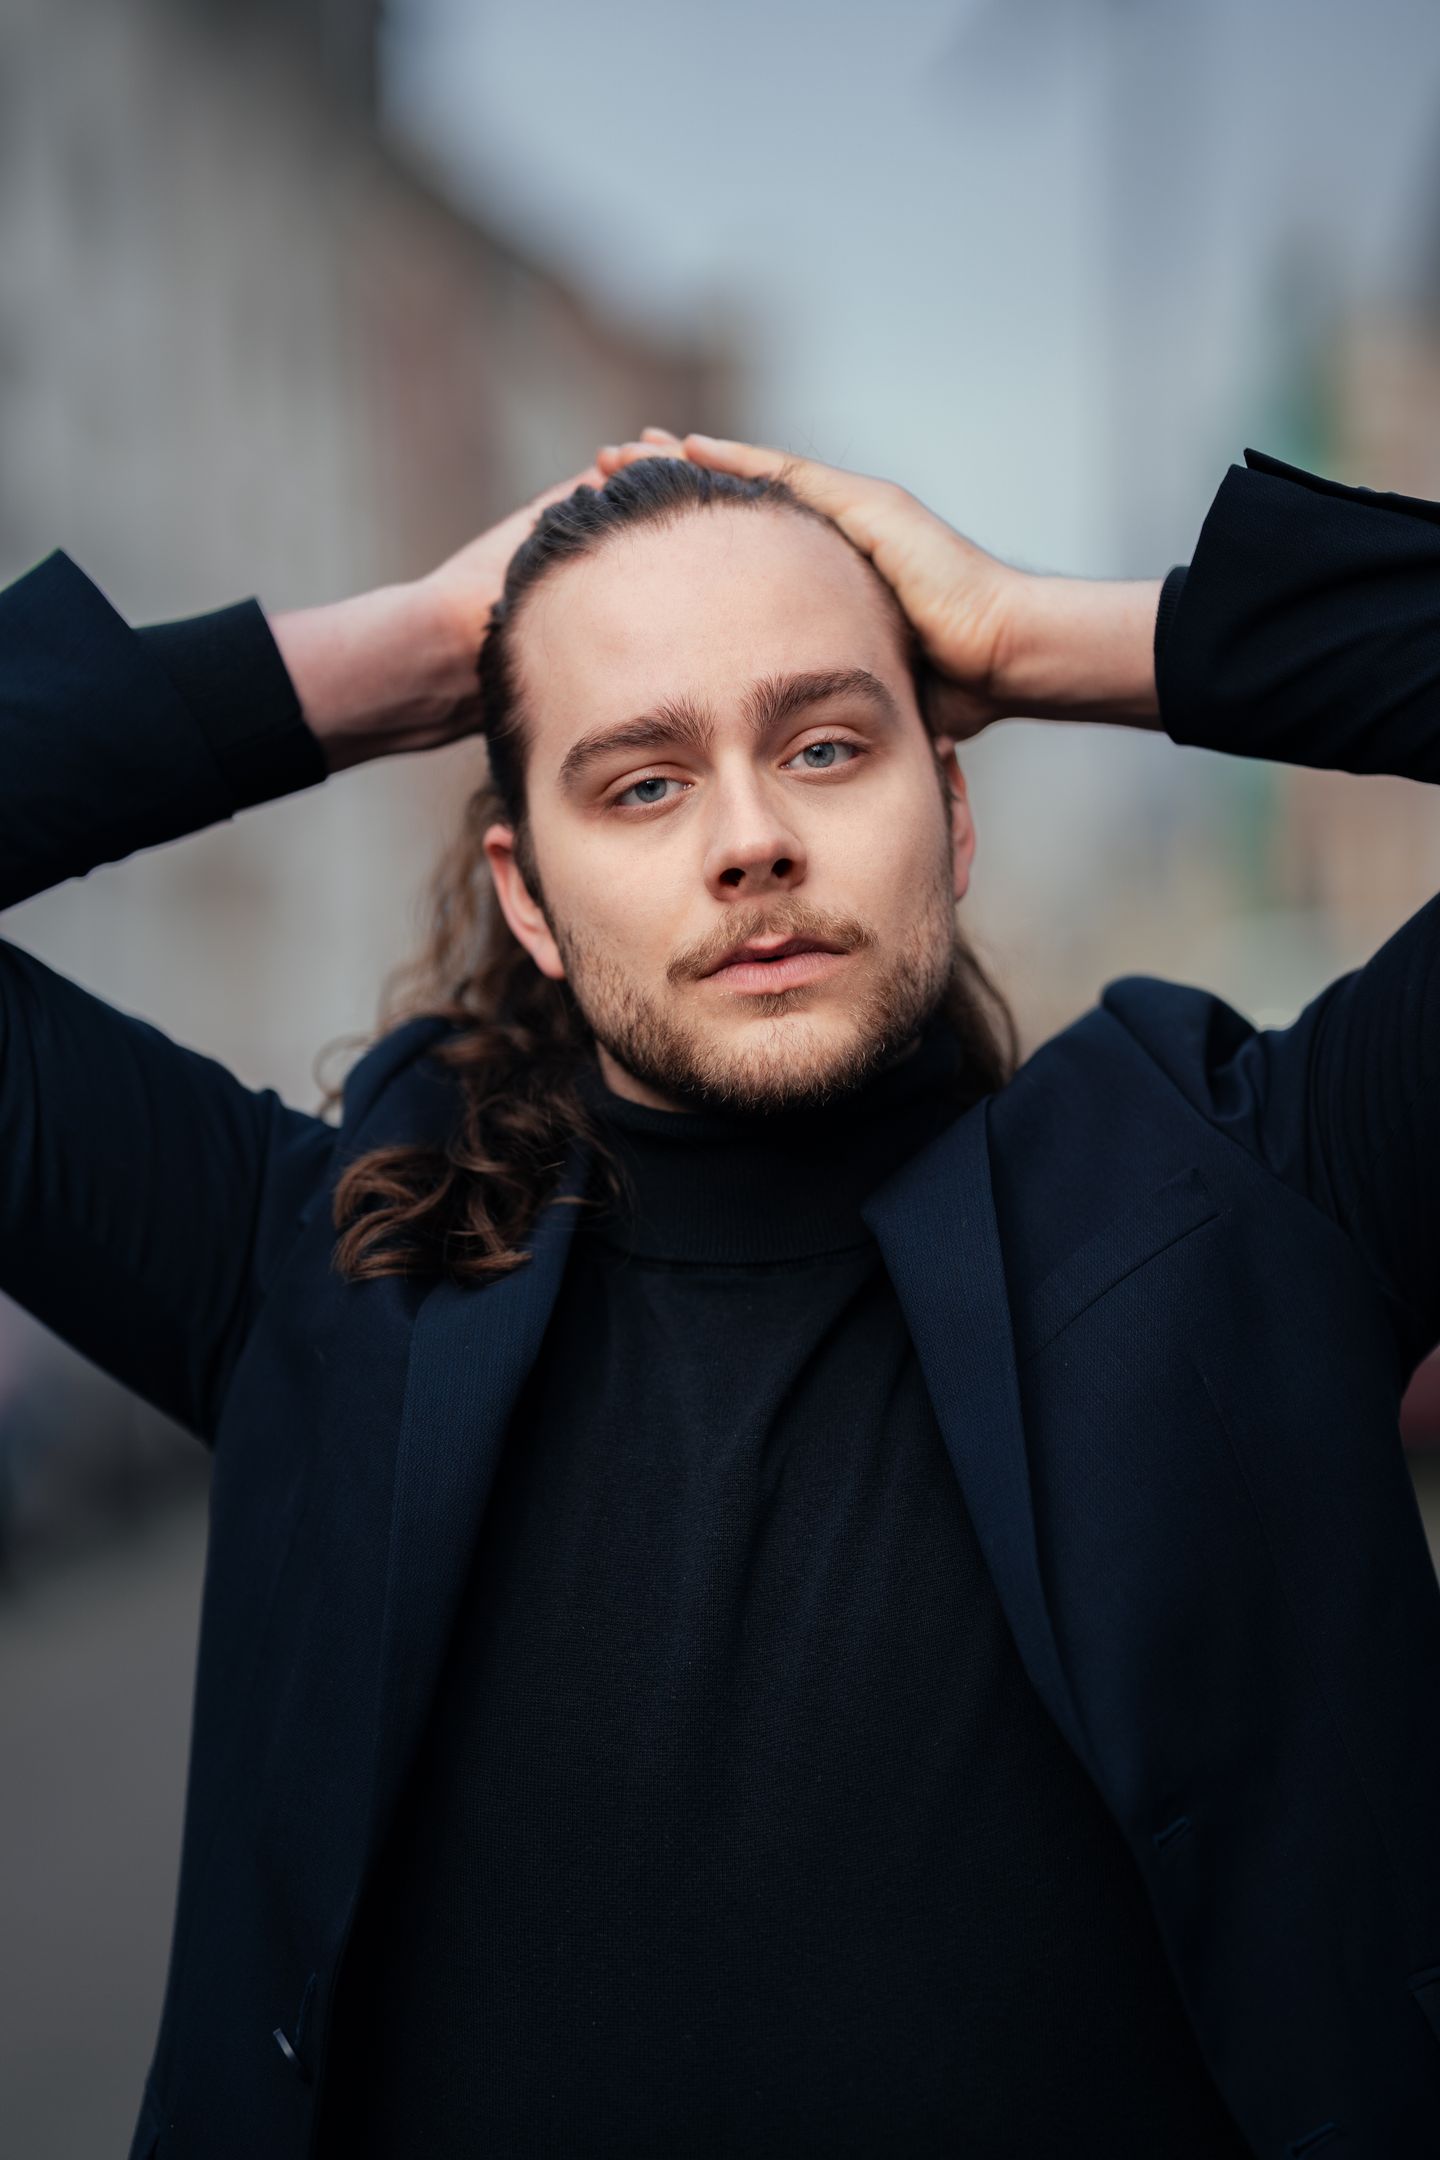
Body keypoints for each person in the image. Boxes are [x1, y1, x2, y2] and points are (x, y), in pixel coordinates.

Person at [2, 426, 1438, 2160]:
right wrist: (406, 655)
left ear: (953, 811)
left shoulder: (1256, 1194)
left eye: (826, 746)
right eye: (640, 783)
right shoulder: (314, 1261)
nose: (752, 840)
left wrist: (1043, 634)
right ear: (529, 899)